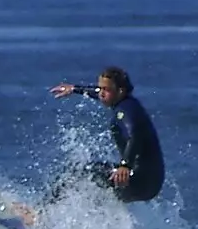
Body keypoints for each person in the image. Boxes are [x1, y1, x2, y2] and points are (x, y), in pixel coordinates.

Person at [48, 66, 165, 203]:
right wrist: (74, 89)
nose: (101, 93)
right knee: (94, 185)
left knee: (81, 173)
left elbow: (135, 135)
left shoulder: (126, 111)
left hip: (139, 181)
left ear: (120, 91)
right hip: (150, 183)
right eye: (100, 88)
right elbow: (99, 92)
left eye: (106, 89)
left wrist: (124, 166)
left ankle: (41, 213)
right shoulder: (126, 103)